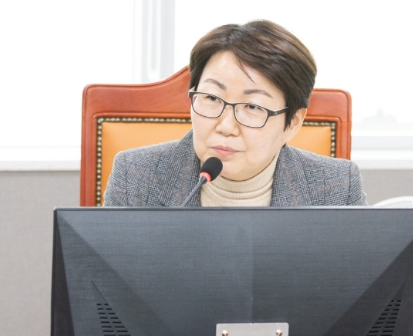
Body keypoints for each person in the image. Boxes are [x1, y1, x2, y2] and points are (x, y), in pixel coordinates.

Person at [104, 20, 367, 207]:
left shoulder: (337, 188)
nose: (226, 127)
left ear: (293, 122)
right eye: (211, 98)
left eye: (253, 107)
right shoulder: (136, 178)